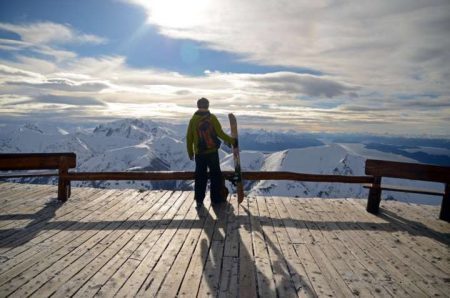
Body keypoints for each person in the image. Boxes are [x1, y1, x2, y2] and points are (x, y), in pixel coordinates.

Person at [186, 97, 235, 208]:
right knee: (215, 176)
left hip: (200, 154)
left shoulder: (193, 120)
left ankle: (199, 200)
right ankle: (215, 199)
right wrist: (231, 140)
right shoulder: (212, 118)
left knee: (200, 177)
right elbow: (220, 133)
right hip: (212, 152)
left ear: (198, 106)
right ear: (208, 106)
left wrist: (190, 152)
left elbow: (189, 137)